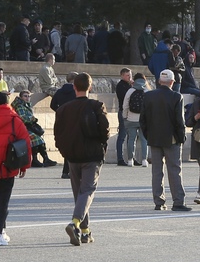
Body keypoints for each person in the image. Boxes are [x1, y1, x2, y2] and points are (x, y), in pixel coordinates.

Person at [54, 73, 109, 244]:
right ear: (90, 87)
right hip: (91, 154)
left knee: (79, 193)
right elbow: (105, 130)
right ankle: (75, 222)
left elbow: (58, 134)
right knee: (87, 191)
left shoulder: (63, 109)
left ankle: (85, 231)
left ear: (74, 87)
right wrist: (101, 144)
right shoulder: (96, 105)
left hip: (72, 155)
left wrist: (64, 151)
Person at [0, 91, 31, 246]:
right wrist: (24, 166)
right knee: (3, 200)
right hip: (8, 165)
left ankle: (1, 230)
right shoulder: (14, 119)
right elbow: (25, 143)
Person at [139, 69, 189, 211]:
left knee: (156, 171)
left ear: (160, 81)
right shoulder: (176, 96)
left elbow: (143, 119)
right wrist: (181, 137)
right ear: (172, 82)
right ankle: (178, 201)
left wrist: (148, 135)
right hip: (171, 139)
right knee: (174, 170)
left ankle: (158, 201)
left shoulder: (148, 96)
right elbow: (179, 121)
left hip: (154, 138)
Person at [120, 72, 149, 166]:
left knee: (131, 139)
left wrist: (125, 116)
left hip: (131, 119)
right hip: (143, 120)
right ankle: (144, 160)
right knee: (144, 140)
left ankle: (130, 160)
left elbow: (125, 106)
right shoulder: (147, 91)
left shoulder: (130, 91)